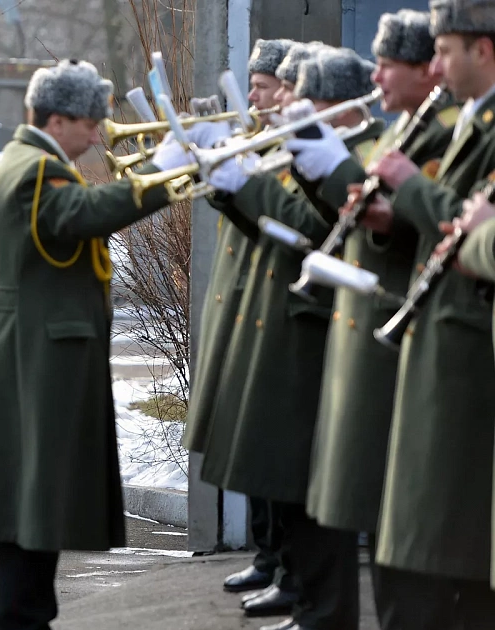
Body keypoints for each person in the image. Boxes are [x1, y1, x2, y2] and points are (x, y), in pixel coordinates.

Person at [0, 59, 197, 629]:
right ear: (58, 119)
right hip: (41, 359)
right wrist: (165, 169)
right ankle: (24, 620)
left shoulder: (30, 161)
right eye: (91, 122)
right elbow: (85, 214)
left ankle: (26, 616)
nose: (98, 134)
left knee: (34, 508)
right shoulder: (37, 169)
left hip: (34, 353)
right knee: (35, 503)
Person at [199, 47, 387, 630]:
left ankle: (320, 606)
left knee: (312, 492)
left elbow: (310, 230)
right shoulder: (320, 151)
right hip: (287, 325)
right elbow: (275, 221)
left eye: (307, 99)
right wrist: (226, 184)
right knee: (290, 483)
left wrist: (248, 184)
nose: (285, 106)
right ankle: (307, 600)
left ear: (339, 105)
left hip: (321, 333)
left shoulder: (361, 154)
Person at [284, 12, 458, 627]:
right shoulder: (412, 128)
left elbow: (444, 226)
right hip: (373, 332)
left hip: (404, 340)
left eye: (388, 64)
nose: (375, 73)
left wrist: (343, 176)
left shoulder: (442, 130)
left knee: (407, 539)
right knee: (385, 534)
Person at [359, 0, 495, 623]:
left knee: (439, 555)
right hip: (444, 338)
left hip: (467, 349)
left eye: (444, 51)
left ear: (483, 49)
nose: (435, 66)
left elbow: (463, 223)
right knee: (418, 550)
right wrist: (390, 217)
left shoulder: (472, 125)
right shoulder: (471, 121)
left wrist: (411, 187)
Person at [183, 38, 298, 613]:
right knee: (245, 436)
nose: (252, 94)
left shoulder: (297, 145)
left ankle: (281, 557)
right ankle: (267, 552)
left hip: (274, 303)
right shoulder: (258, 137)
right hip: (242, 294)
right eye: (251, 84)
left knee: (268, 442)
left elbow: (285, 221)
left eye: (262, 84)